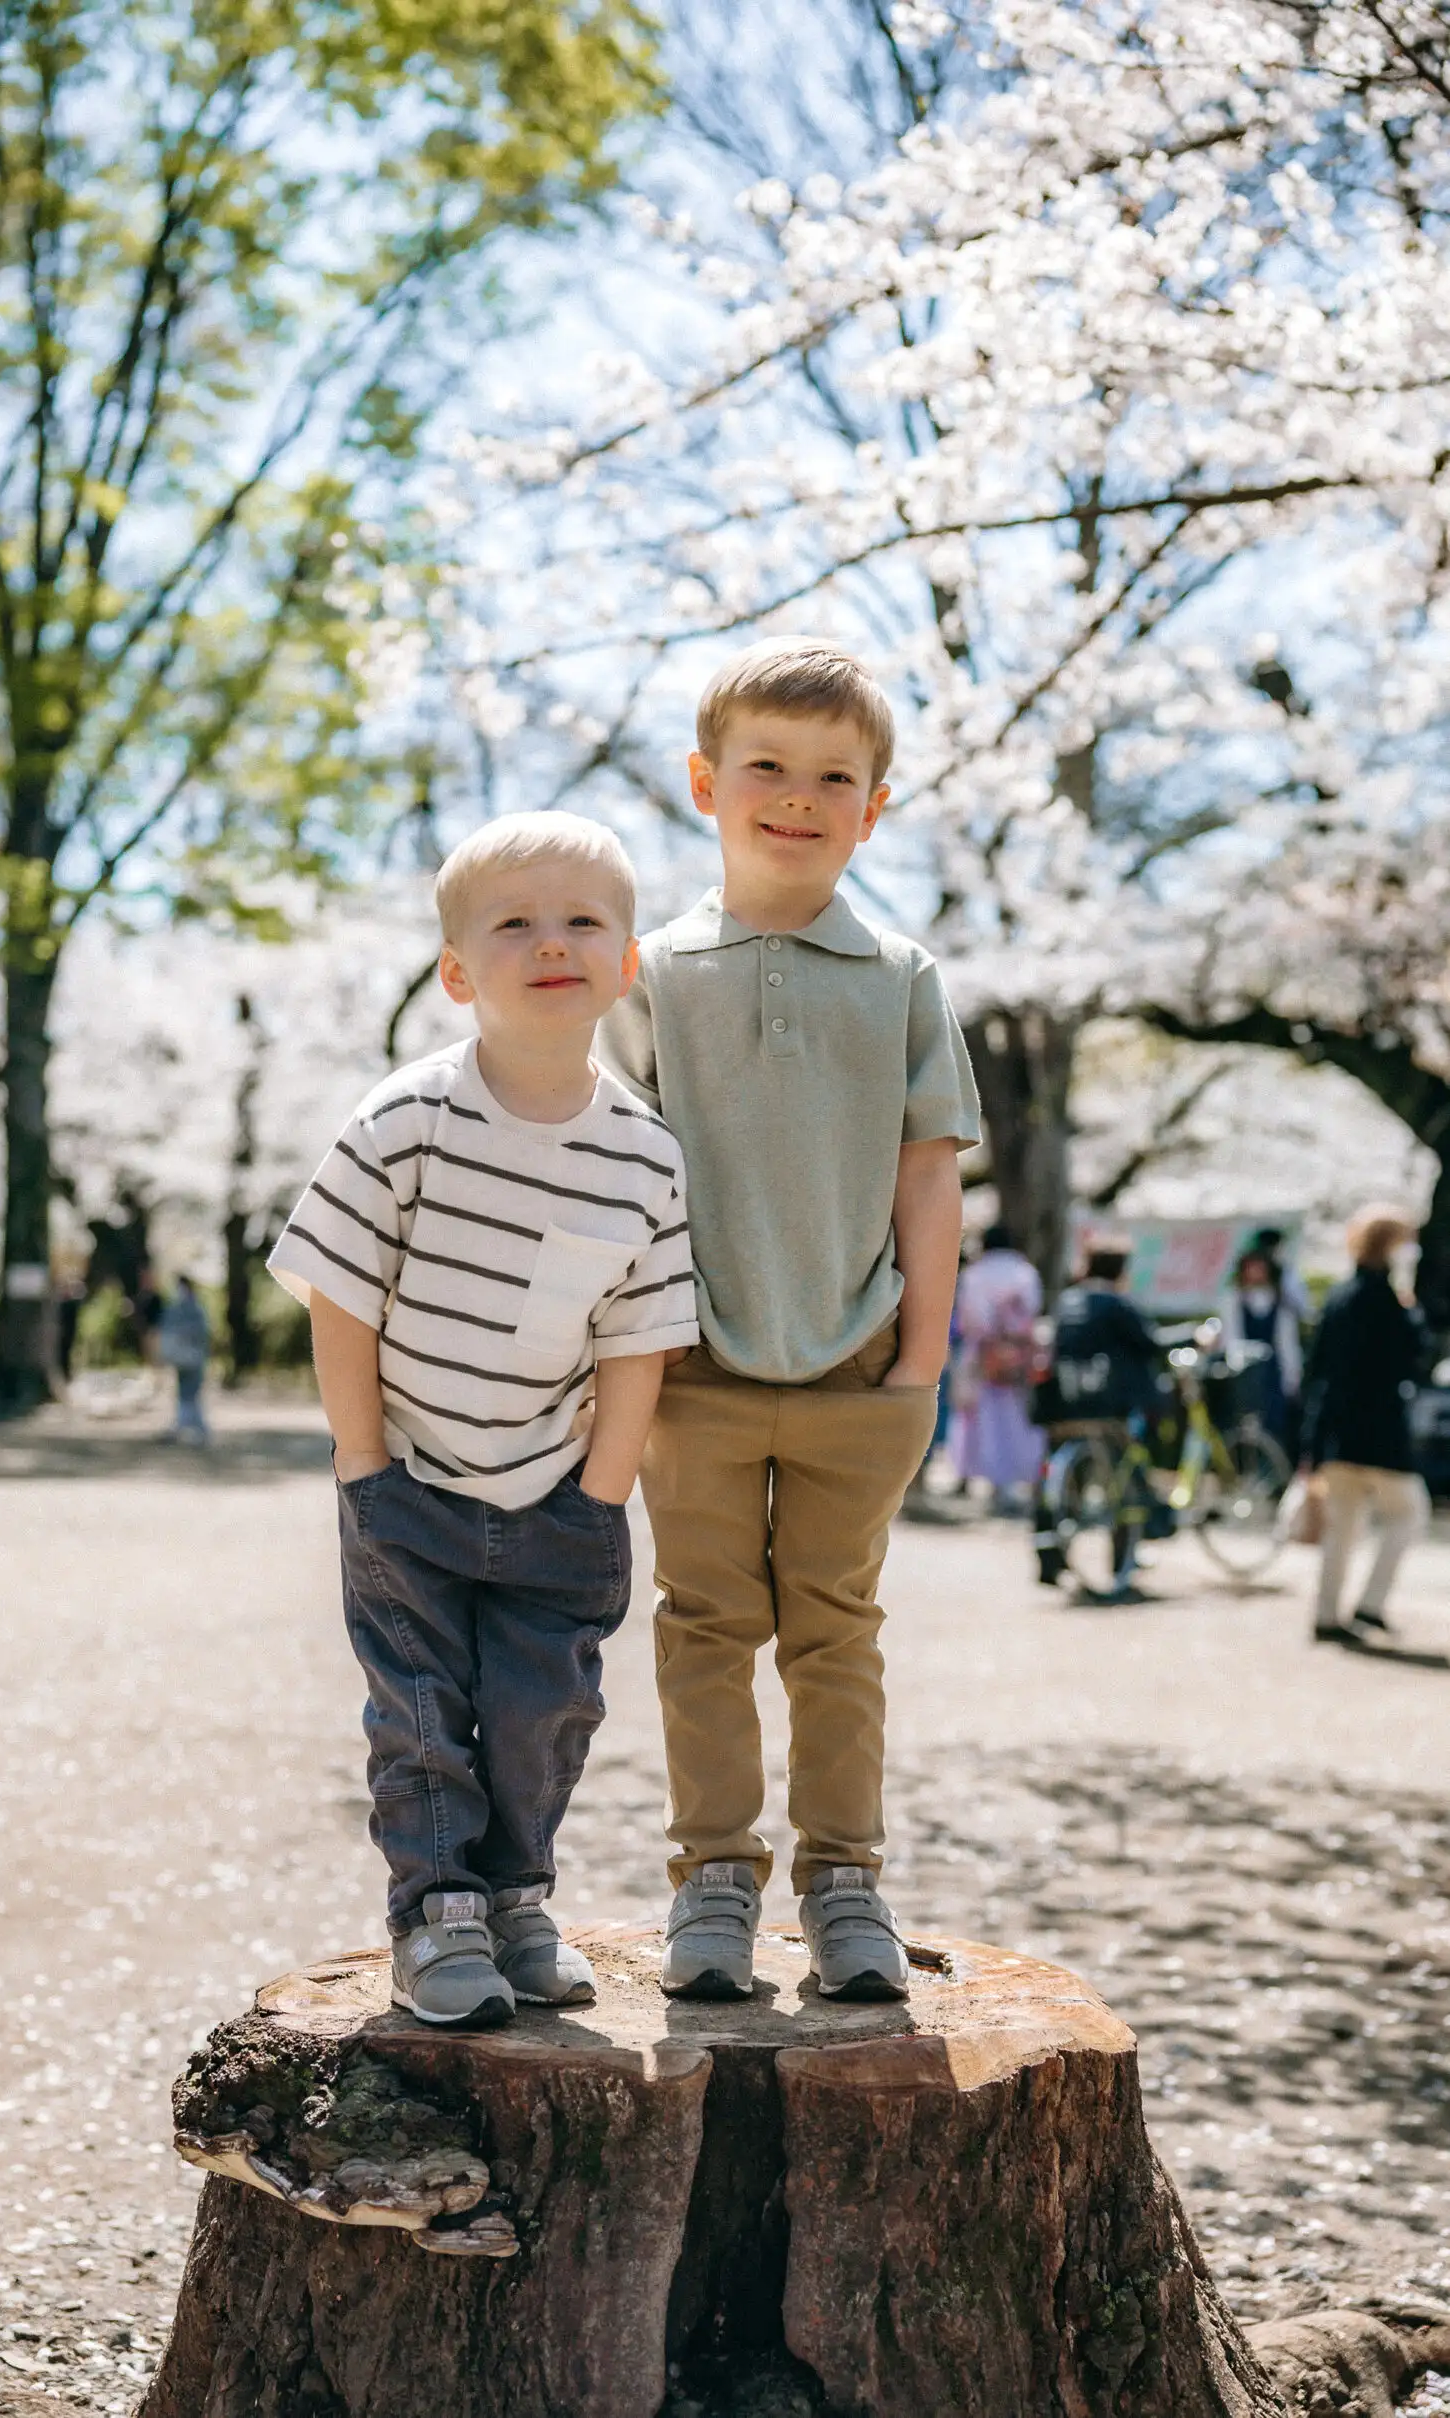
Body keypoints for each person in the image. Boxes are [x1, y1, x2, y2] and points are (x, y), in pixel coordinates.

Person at [268, 815, 697, 2029]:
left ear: (627, 963)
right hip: (407, 1484)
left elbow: (639, 1340)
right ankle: (435, 1912)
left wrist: (601, 1492)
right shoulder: (406, 1118)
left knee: (539, 1712)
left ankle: (516, 1897)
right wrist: (363, 1463)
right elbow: (340, 1294)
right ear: (457, 972)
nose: (552, 943)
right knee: (419, 1714)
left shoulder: (644, 1156)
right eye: (515, 924)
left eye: (583, 922)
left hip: (556, 1493)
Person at [603, 637, 980, 2003]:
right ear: (707, 783)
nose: (798, 796)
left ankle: (844, 1880)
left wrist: (920, 1365)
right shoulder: (648, 975)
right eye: (766, 765)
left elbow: (927, 1175)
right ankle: (712, 1874)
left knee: (837, 1629)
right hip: (692, 1363)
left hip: (858, 1364)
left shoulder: (901, 976)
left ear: (873, 808)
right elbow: (612, 1171)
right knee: (703, 1624)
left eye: (834, 777)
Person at [1302, 1205, 1430, 1644]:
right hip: (1381, 1434)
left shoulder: (1339, 1298)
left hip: (1337, 1434)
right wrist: (1411, 1311)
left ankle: (1326, 1614)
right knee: (1409, 1514)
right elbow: (1412, 1358)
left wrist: (1311, 1445)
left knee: (1341, 1526)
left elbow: (1316, 1371)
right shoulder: (1389, 1302)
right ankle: (1370, 1604)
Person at [1031, 1239, 1167, 1591]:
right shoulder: (1117, 1304)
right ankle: (1123, 1561)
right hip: (1106, 1409)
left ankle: (1049, 1560)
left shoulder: (1067, 1301)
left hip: (1062, 1408)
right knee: (1124, 1479)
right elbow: (1149, 1344)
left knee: (1060, 1482)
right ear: (1120, 1270)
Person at [948, 1223, 1044, 1509]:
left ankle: (967, 1477)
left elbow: (969, 1318)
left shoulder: (975, 1274)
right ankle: (1008, 1482)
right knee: (1013, 1419)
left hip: (981, 1354)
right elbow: (1032, 1312)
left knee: (974, 1416)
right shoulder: (1026, 1273)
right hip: (1016, 1355)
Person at [1220, 1245, 1302, 1456]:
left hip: (1272, 1374)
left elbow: (1287, 1345)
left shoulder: (1281, 1302)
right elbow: (1231, 1340)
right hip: (1243, 1372)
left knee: (1275, 1426)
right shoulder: (1234, 1300)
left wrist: (1292, 1380)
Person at [159, 1274, 212, 1445]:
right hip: (182, 1359)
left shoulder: (195, 1309)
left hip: (193, 1359)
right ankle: (194, 1429)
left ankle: (192, 1429)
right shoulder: (176, 1308)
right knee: (186, 1394)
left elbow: (201, 1333)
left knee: (190, 1394)